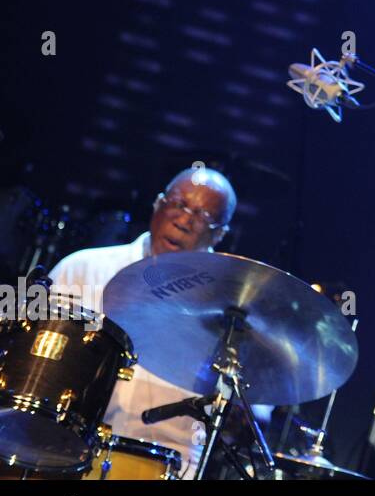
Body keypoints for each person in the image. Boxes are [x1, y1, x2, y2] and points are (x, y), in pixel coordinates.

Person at [49, 166, 240, 478]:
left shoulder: (227, 311)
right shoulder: (82, 270)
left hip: (167, 465)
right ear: (158, 203)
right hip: (65, 450)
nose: (185, 220)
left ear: (219, 234)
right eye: (178, 204)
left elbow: (247, 401)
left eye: (203, 215)